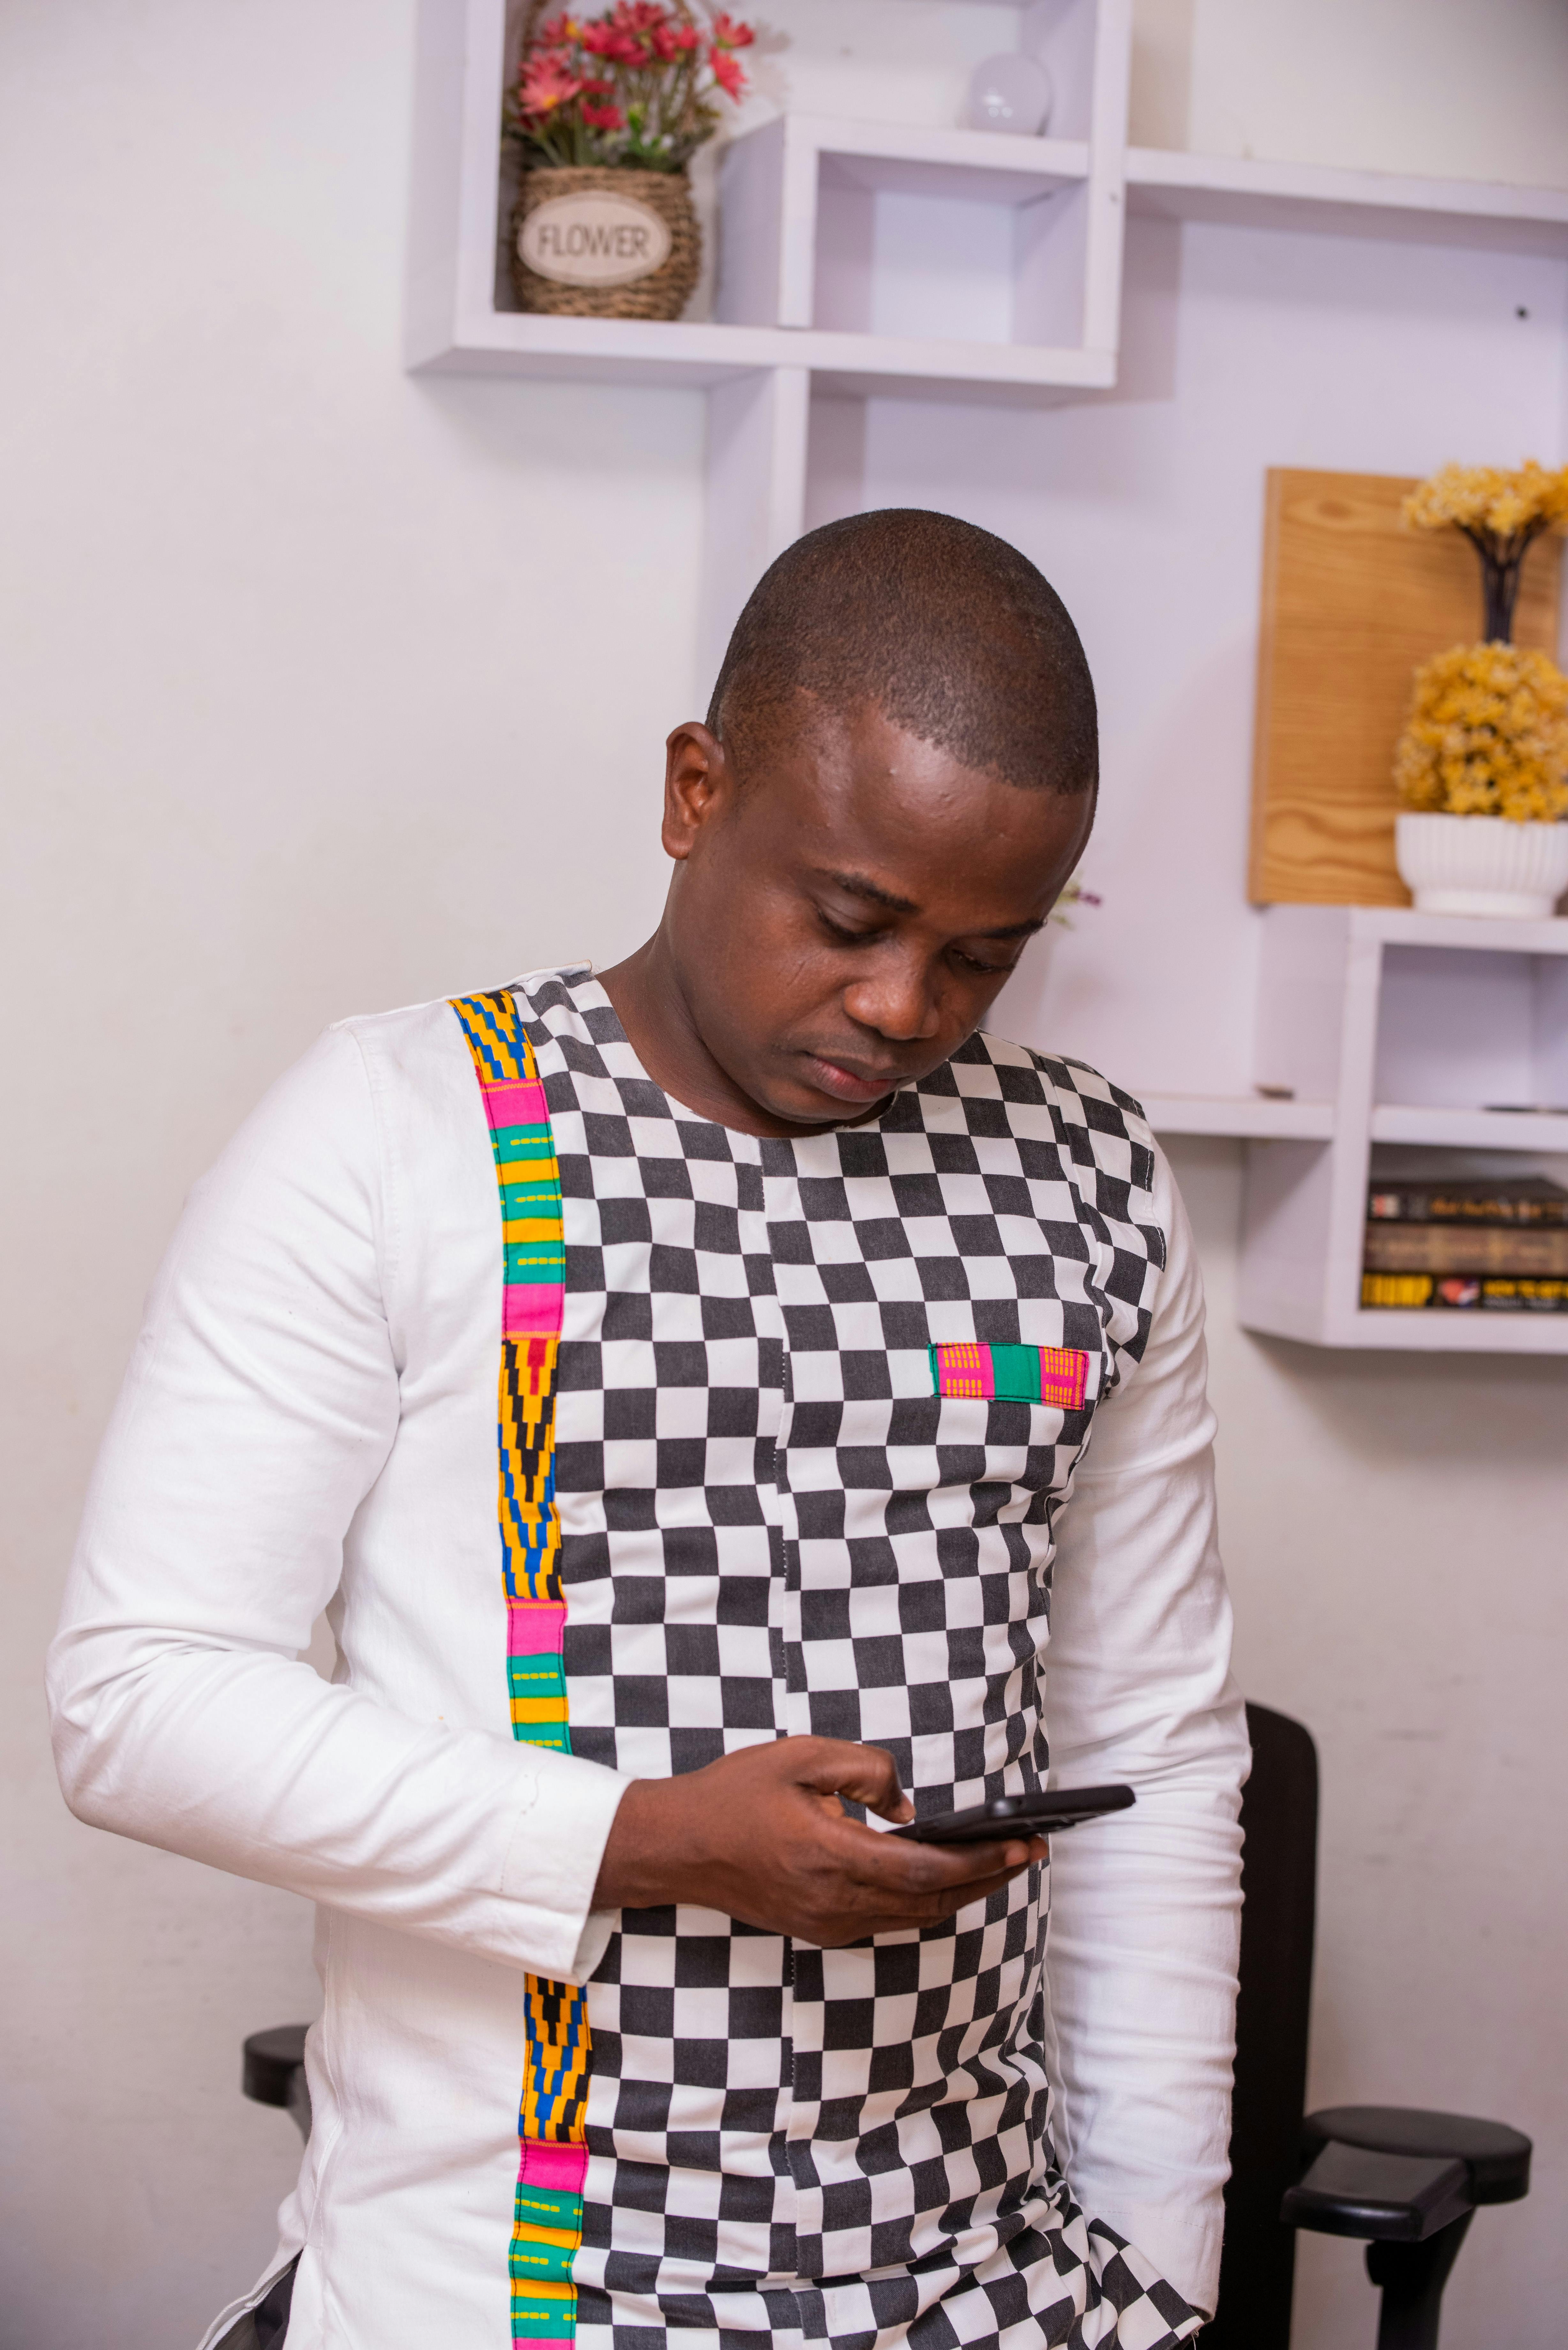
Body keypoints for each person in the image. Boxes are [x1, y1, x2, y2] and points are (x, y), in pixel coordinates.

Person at [49, 510, 1248, 2350]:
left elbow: (1152, 1749)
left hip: (979, 2283)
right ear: (697, 791)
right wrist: (647, 1837)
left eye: (983, 959)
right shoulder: (400, 1129)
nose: (899, 1007)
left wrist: (1165, 2270)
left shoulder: (1095, 1176)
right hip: (502, 2282)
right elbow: (136, 1698)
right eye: (848, 919)